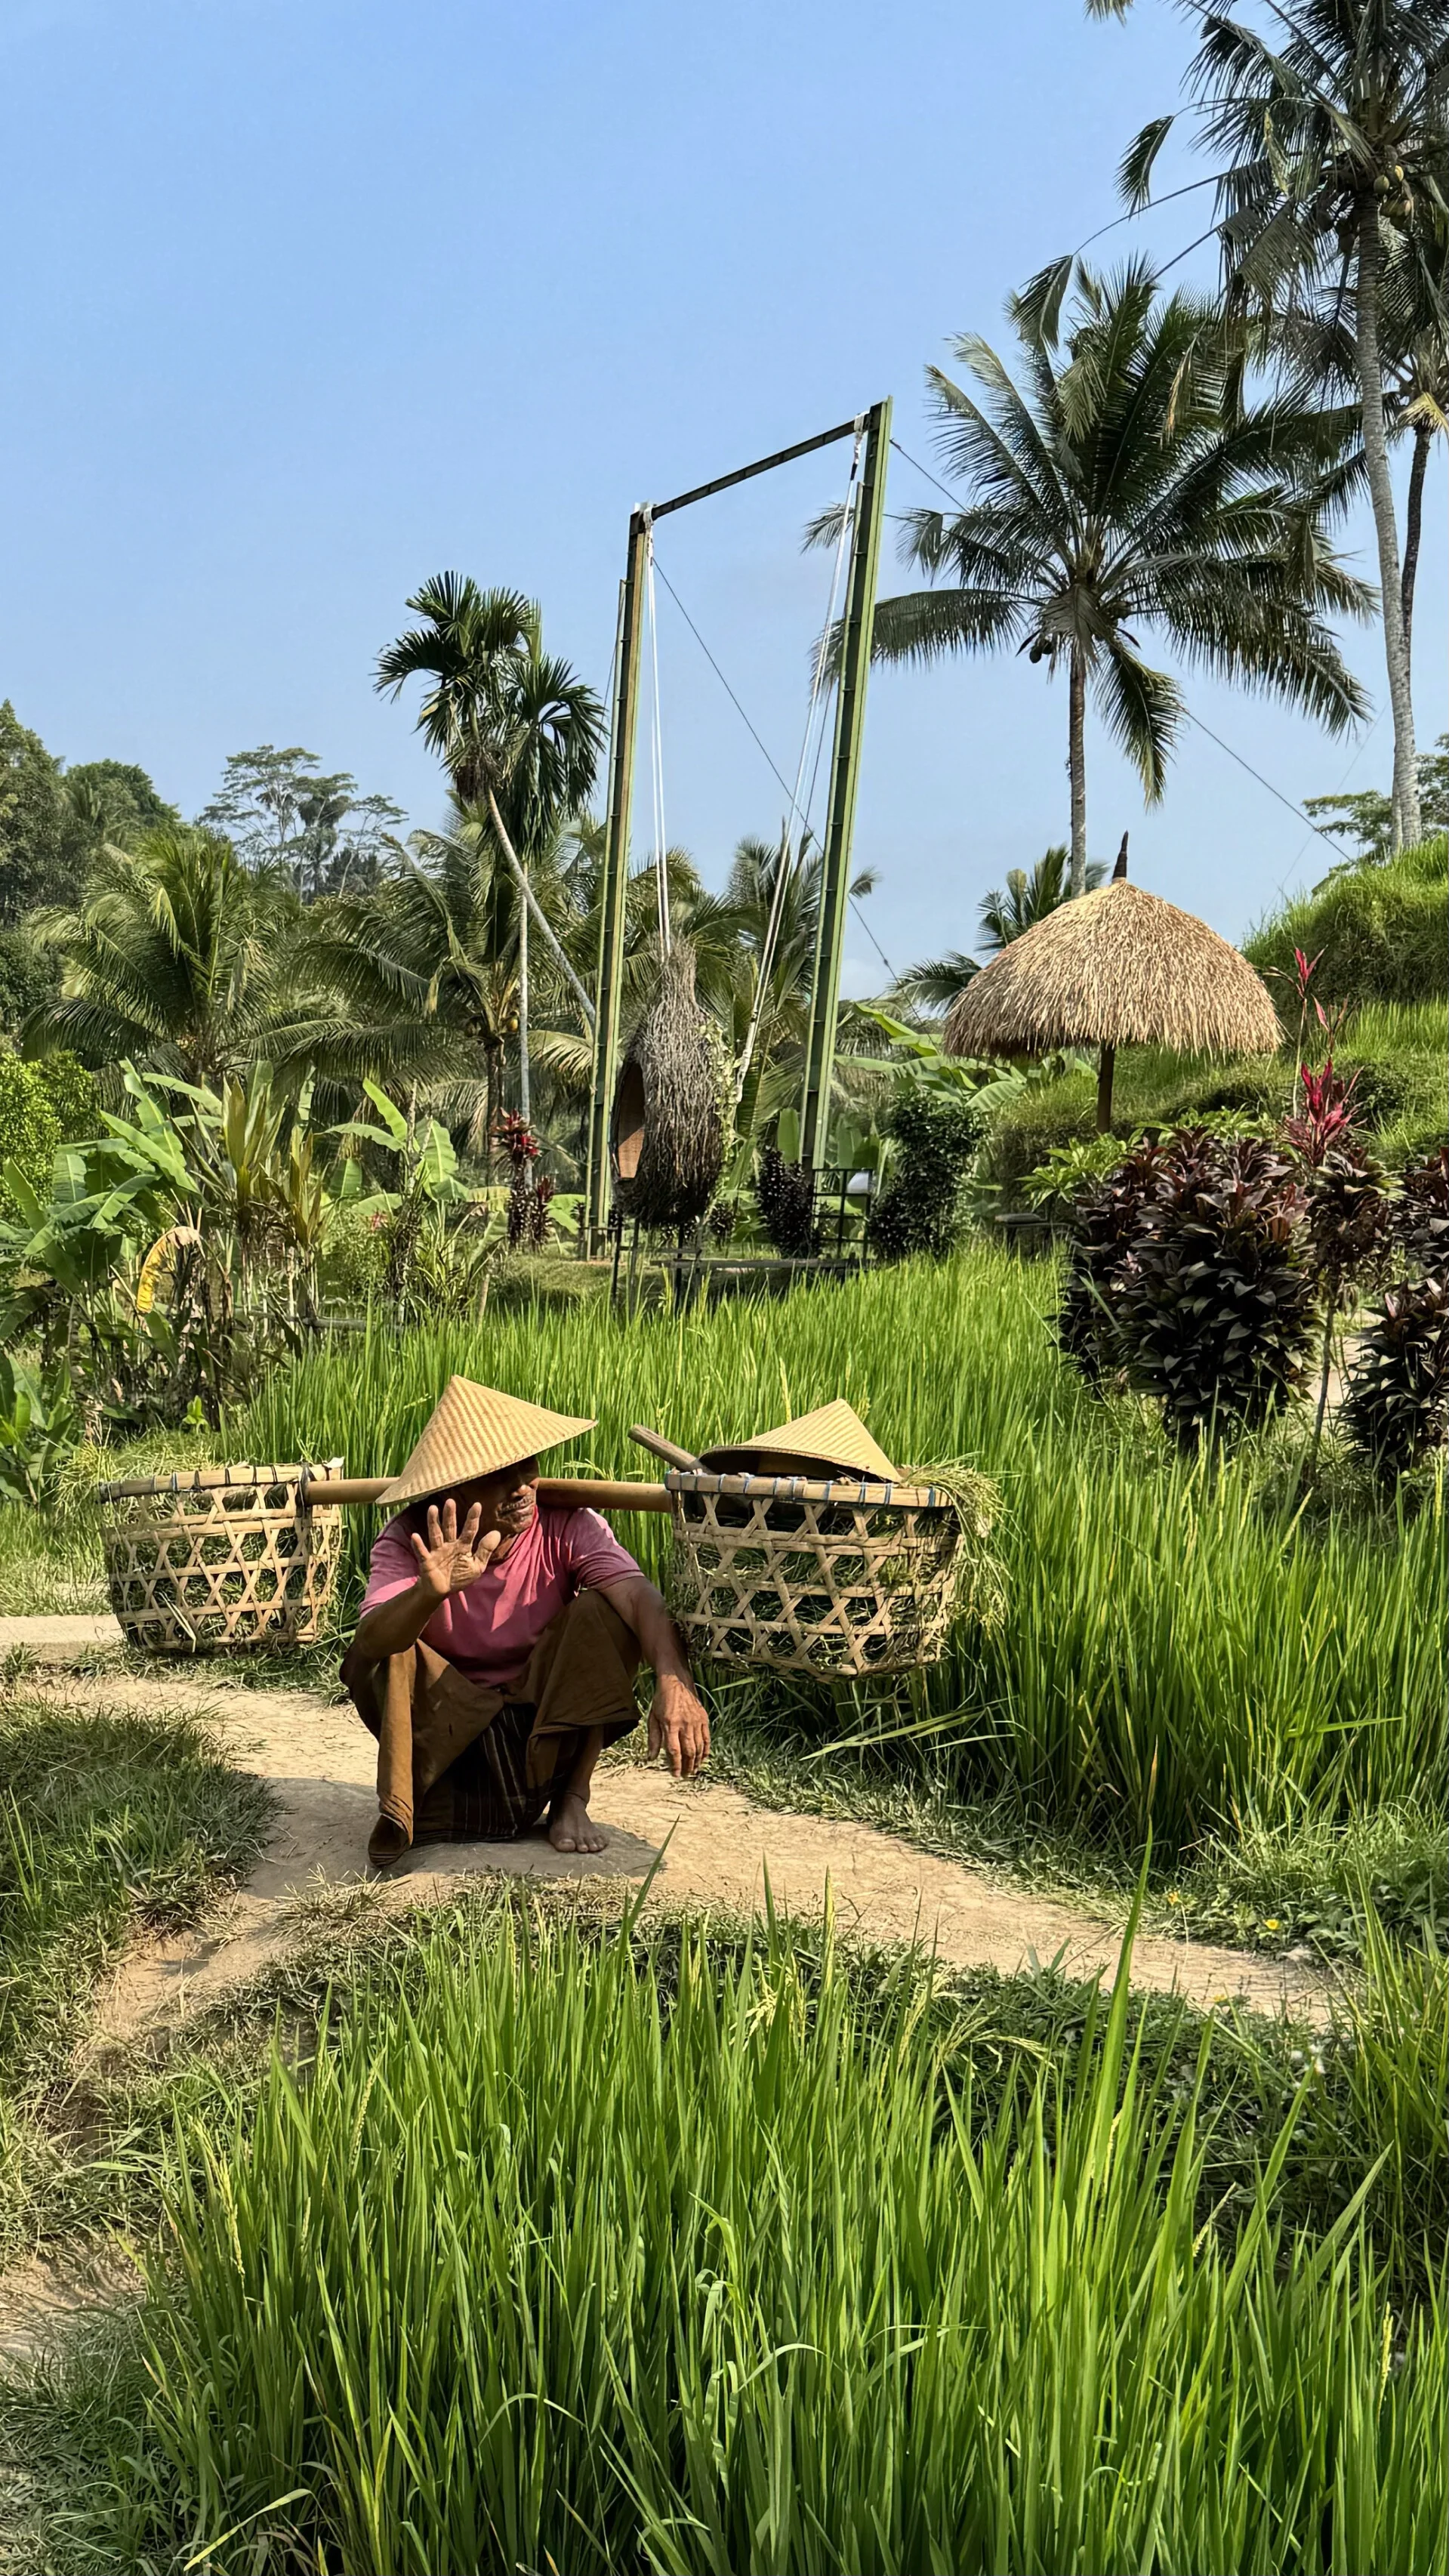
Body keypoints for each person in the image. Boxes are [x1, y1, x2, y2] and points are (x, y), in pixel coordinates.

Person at [342, 1377, 709, 1869]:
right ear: (454, 1486)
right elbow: (368, 1644)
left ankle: (572, 1798)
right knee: (390, 1647)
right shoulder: (413, 1536)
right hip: (450, 1724)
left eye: (528, 1467)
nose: (521, 1487)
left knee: (604, 1614)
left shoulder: (567, 1524)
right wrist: (427, 1594)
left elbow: (639, 1598)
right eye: (500, 1474)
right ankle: (404, 1809)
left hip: (540, 1716)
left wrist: (674, 1680)